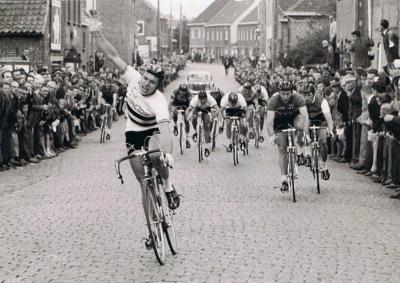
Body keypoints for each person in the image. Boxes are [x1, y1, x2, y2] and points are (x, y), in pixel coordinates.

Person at [85, 11, 180, 247]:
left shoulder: (158, 101)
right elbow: (112, 54)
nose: (146, 83)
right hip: (133, 132)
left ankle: (168, 188)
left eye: (151, 82)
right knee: (144, 182)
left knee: (156, 156)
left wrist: (168, 154)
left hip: (153, 132)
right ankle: (153, 226)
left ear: (158, 85)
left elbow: (165, 130)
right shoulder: (133, 78)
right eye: (145, 79)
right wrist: (96, 32)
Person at [266, 81, 310, 192]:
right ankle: (284, 180)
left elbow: (305, 116)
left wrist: (306, 134)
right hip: (279, 121)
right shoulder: (273, 99)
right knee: (282, 148)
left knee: (300, 125)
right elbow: (270, 121)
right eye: (283, 94)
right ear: (279, 93)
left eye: (288, 94)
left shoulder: (298, 97)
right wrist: (271, 136)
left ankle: (299, 149)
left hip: (294, 118)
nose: (285, 97)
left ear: (292, 92)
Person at [300, 82, 334, 180]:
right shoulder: (301, 101)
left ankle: (324, 166)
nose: (307, 98)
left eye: (309, 95)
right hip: (308, 119)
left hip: (320, 119)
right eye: (305, 95)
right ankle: (306, 153)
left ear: (313, 94)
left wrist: (330, 130)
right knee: (301, 131)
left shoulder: (322, 101)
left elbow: (329, 118)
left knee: (323, 141)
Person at [186, 90, 219, 156]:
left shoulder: (211, 99)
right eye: (201, 100)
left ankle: (206, 148)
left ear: (206, 98)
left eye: (204, 100)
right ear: (199, 98)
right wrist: (188, 116)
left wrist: (212, 117)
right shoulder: (195, 100)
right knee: (194, 117)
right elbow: (188, 109)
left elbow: (218, 110)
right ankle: (195, 132)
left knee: (206, 125)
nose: (203, 101)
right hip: (197, 108)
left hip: (207, 109)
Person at [169, 83, 192, 149]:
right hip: (176, 105)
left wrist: (188, 112)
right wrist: (169, 113)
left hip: (186, 107)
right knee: (174, 113)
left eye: (184, 91)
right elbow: (170, 104)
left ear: (186, 91)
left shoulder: (189, 94)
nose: (182, 92)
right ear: (178, 90)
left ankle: (187, 139)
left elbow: (191, 105)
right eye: (181, 90)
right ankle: (175, 126)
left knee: (186, 120)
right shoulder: (175, 92)